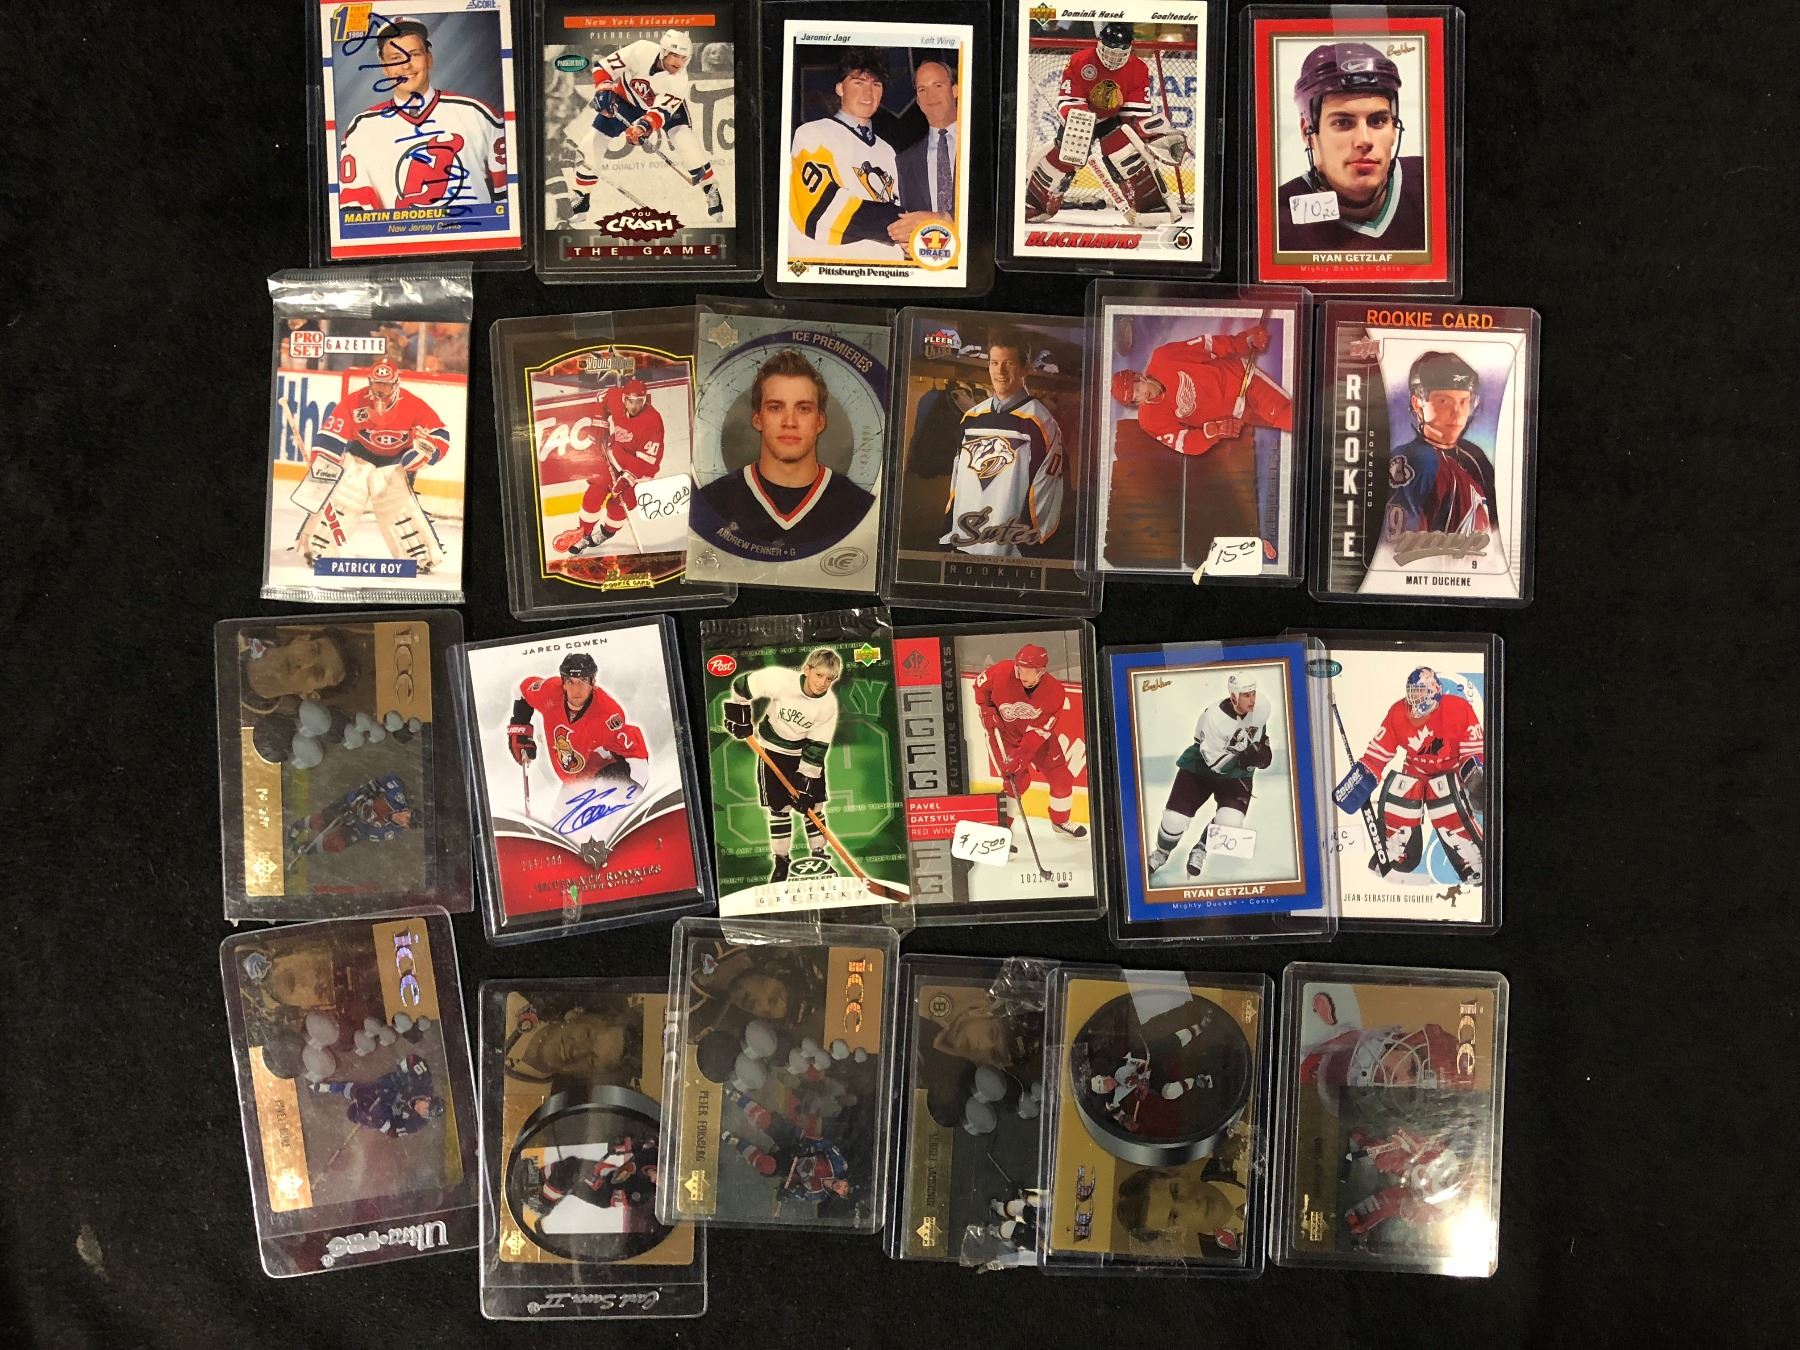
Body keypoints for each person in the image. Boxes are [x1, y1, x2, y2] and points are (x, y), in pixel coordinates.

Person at [1109, 325, 1292, 560]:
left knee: (1289, 417)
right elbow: (1186, 443)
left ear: (1139, 376)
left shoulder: (1164, 357)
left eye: (1138, 389)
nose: (1142, 396)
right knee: (1288, 423)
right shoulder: (1149, 420)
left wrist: (1244, 342)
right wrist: (1212, 433)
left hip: (1243, 380)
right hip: (1238, 412)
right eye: (1134, 399)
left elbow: (1210, 345)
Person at [689, 349, 874, 563]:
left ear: (820, 421)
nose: (790, 422)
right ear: (758, 419)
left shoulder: (860, 508)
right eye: (776, 408)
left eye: (803, 409)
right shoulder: (711, 502)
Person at [338, 18, 507, 215]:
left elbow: (507, 199)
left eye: (414, 54)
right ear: (384, 68)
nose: (406, 66)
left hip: (472, 231)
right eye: (395, 58)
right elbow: (354, 214)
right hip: (400, 235)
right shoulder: (361, 129)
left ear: (429, 59)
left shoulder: (478, 114)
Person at [1023, 22, 1188, 224]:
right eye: (1109, 52)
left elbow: (1134, 114)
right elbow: (1069, 100)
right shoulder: (1080, 60)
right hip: (1082, 116)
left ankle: (1148, 205)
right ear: (1099, 44)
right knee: (1070, 150)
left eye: (1119, 54)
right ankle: (1036, 201)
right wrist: (1083, 121)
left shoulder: (1138, 68)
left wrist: (1146, 135)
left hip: (1112, 118)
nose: (1113, 59)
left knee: (1125, 149)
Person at [1334, 666, 1485, 882]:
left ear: (1434, 690)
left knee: (1444, 795)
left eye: (1420, 691)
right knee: (1402, 790)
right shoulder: (1398, 712)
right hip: (1417, 771)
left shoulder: (1458, 708)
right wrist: (1360, 779)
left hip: (1451, 770)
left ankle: (1471, 858)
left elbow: (1473, 751)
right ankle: (1396, 851)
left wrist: (1475, 780)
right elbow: (1378, 752)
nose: (1414, 698)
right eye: (1412, 692)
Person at [788, 49, 942, 256]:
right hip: (832, 268)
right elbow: (819, 207)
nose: (868, 93)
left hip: (886, 271)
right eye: (858, 83)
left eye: (876, 85)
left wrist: (912, 237)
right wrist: (902, 224)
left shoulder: (887, 151)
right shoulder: (813, 134)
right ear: (840, 88)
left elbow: (903, 223)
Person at [300, 360, 450, 571]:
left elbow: (440, 434)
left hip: (396, 460)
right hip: (360, 453)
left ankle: (420, 556)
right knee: (348, 490)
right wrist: (322, 461)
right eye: (377, 384)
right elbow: (332, 433)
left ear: (396, 383)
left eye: (386, 385)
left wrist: (426, 455)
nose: (381, 390)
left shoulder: (413, 404)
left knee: (395, 500)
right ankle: (316, 547)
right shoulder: (355, 401)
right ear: (370, 382)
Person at [564, 28, 724, 226]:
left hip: (664, 109)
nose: (679, 62)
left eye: (684, 58)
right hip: (626, 99)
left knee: (685, 142)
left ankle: (710, 188)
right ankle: (581, 199)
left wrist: (642, 128)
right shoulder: (641, 49)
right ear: (664, 51)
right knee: (593, 141)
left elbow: (659, 113)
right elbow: (604, 67)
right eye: (675, 55)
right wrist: (603, 88)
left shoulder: (679, 81)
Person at [1276, 42, 1425, 252]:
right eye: (1343, 122)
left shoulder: (1433, 186)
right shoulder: (1275, 220)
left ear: (1394, 128)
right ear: (1307, 132)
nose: (1364, 140)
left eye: (1378, 121)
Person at [722, 647, 844, 884]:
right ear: (807, 669)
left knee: (813, 807)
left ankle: (819, 855)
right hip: (772, 751)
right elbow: (741, 685)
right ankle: (781, 859)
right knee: (779, 808)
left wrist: (805, 782)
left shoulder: (828, 705)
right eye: (819, 675)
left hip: (803, 754)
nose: (823, 683)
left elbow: (817, 747)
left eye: (829, 679)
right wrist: (740, 715)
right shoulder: (780, 680)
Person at [941, 337, 1066, 557]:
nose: (1000, 371)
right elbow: (957, 480)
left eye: (1008, 363)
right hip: (964, 540)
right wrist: (949, 530)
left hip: (1008, 546)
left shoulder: (1041, 422)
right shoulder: (971, 417)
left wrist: (1027, 543)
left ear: (1025, 368)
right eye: (994, 363)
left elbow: (1046, 489)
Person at [1144, 672, 1272, 880]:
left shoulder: (1261, 707)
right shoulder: (1214, 717)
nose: (1252, 700)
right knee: (1174, 820)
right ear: (1234, 697)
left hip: (1235, 775)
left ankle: (1201, 848)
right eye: (1246, 695)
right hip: (1201, 769)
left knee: (1230, 823)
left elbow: (1258, 738)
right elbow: (1216, 765)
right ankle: (1161, 852)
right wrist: (1245, 758)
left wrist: (1263, 755)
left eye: (1253, 693)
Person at [973, 643, 1086, 856]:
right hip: (1003, 735)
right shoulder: (1001, 671)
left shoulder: (1054, 691)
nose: (1021, 674)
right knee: (1015, 781)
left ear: (1041, 671)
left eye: (1028, 670)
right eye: (1019, 668)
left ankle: (1060, 821)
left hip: (1036, 738)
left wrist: (1021, 757)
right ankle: (999, 833)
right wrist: (986, 710)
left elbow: (1038, 732)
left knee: (1061, 777)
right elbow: (979, 687)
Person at [1381, 352, 1498, 539]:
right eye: (1443, 401)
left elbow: (1495, 531)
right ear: (1418, 404)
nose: (1457, 412)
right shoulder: (1410, 462)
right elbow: (1396, 545)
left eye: (1464, 401)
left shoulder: (1476, 458)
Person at [551, 377, 665, 557]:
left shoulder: (652, 422)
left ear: (645, 399)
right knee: (594, 493)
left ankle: (606, 532)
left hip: (639, 471)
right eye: (630, 401)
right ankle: (583, 533)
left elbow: (649, 462)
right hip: (613, 456)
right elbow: (601, 399)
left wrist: (627, 479)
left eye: (639, 401)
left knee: (619, 505)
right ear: (624, 397)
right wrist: (600, 423)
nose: (634, 406)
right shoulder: (614, 396)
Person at [507, 651, 648, 787]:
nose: (576, 689)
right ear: (563, 683)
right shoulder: (549, 692)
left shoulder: (608, 714)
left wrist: (630, 789)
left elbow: (635, 754)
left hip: (601, 776)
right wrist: (520, 728)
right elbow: (521, 690)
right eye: (570, 681)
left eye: (583, 680)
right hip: (573, 782)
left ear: (593, 682)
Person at [307, 1052, 443, 1137]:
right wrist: (401, 1072)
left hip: (387, 1110)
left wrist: (380, 1122)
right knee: (362, 1091)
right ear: (428, 1098)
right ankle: (332, 1088)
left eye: (425, 1113)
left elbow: (393, 1132)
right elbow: (413, 1060)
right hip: (391, 1087)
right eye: (426, 1106)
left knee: (363, 1115)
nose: (422, 1110)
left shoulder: (416, 1123)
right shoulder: (424, 1084)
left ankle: (361, 1110)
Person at [896, 59, 960, 219]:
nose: (930, 96)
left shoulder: (982, 145)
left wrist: (943, 219)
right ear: (918, 100)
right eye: (922, 89)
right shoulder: (904, 162)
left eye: (938, 86)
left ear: (955, 90)